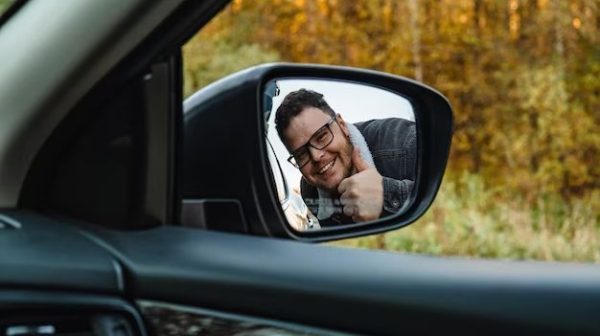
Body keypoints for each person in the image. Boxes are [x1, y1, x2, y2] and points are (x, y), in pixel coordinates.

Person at [275, 89, 416, 227]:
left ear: (342, 125)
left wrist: (386, 195)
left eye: (321, 137)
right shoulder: (309, 191)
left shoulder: (404, 143)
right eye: (301, 154)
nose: (316, 157)